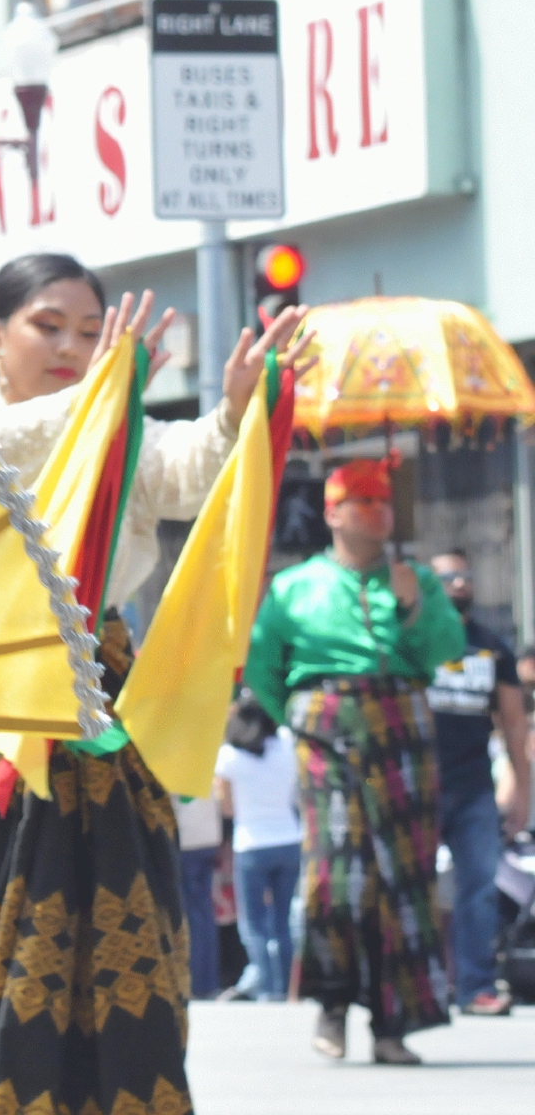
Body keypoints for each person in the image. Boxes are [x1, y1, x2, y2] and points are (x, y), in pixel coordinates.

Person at [0, 252, 308, 1115]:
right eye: (48, 326)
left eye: (91, 333)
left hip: (106, 703)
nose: (73, 347)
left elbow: (190, 470)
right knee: (5, 951)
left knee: (140, 952)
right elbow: (12, 441)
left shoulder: (120, 433)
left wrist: (238, 409)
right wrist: (107, 393)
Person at [243, 456, 467, 1064]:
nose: (379, 511)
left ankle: (394, 1024)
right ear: (333, 512)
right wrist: (299, 713)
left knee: (406, 871)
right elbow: (263, 669)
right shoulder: (293, 587)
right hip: (327, 725)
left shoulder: (412, 576)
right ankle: (332, 1003)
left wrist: (415, 606)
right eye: (364, 500)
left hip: (402, 721)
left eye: (385, 501)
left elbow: (448, 651)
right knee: (336, 870)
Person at [425, 548, 530, 1015]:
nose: (461, 585)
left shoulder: (491, 646)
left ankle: (475, 986)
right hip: (420, 784)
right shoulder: (415, 643)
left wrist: (522, 790)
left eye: (466, 576)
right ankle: (423, 986)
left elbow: (513, 724)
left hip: (473, 789)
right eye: (450, 578)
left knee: (479, 886)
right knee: (416, 887)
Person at [212, 694, 301, 1002]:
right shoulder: (287, 745)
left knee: (253, 924)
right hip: (289, 839)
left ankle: (265, 986)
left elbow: (226, 809)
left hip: (251, 843)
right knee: (282, 920)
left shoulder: (229, 757)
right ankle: (284, 986)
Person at [176, 795, 223, 999]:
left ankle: (194, 981)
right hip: (208, 837)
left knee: (191, 914)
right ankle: (208, 982)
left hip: (186, 840)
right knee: (204, 913)